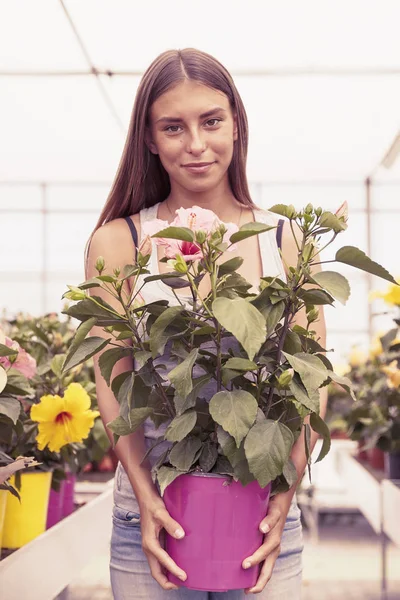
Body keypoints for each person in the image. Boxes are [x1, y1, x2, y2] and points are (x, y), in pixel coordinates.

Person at [85, 48, 328, 599]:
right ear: (149, 139)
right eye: (173, 127)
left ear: (236, 125)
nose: (196, 144)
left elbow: (310, 385)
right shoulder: (121, 242)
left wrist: (283, 501)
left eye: (211, 121)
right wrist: (145, 498)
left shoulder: (285, 241)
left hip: (263, 521)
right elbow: (113, 383)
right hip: (154, 519)